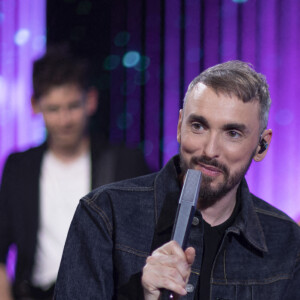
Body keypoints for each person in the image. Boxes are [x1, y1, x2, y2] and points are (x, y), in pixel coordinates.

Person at [54, 61, 300, 299]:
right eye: (198, 126)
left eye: (232, 133)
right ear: (180, 125)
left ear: (261, 145)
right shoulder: (105, 214)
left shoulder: (288, 242)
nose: (209, 150)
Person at [0, 48, 150, 300]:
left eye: (72, 106)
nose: (64, 120)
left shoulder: (124, 162)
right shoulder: (19, 167)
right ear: (35, 106)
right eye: (54, 109)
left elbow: (149, 243)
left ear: (90, 100)